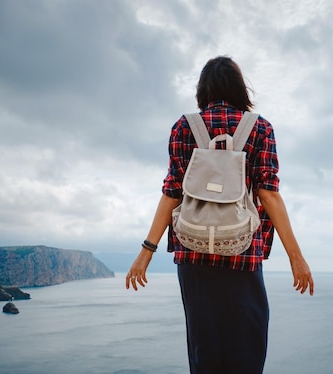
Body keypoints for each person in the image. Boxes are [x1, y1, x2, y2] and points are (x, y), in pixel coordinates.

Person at [126, 56, 314, 374]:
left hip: (192, 256)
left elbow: (172, 192)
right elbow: (268, 194)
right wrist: (296, 257)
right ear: (240, 89)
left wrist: (146, 251)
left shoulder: (184, 127)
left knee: (204, 353)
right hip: (243, 255)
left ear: (204, 91)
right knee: (247, 352)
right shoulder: (260, 129)